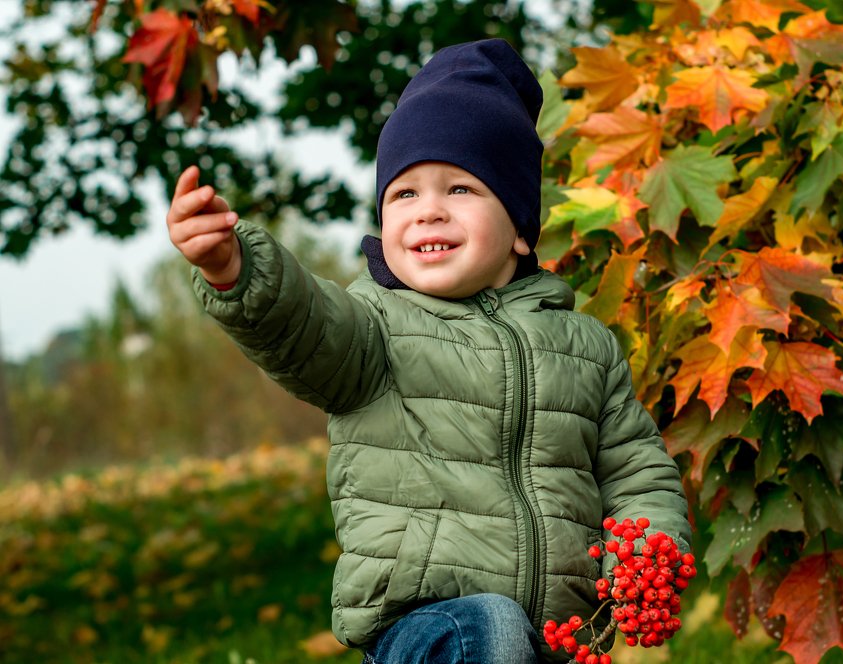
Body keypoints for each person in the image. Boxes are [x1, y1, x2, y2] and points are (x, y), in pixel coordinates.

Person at [166, 39, 690, 664]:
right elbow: (306, 325)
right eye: (404, 194)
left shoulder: (586, 349)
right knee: (488, 628)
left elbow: (637, 473)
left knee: (507, 636)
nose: (429, 211)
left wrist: (649, 552)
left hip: (560, 640)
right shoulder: (375, 328)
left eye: (462, 189)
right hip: (423, 630)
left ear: (522, 229)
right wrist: (236, 269)